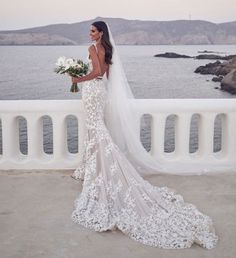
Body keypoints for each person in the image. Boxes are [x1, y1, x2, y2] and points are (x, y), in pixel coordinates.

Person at [70, 21, 218, 249]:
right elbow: (104, 74)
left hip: (92, 91)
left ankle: (103, 170)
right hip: (100, 92)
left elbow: (97, 72)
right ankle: (91, 167)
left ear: (101, 33)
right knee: (96, 128)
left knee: (96, 130)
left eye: (93, 30)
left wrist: (77, 79)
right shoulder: (107, 49)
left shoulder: (93, 49)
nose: (89, 34)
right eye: (89, 30)